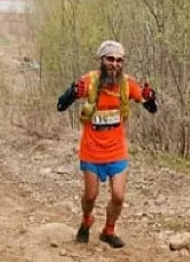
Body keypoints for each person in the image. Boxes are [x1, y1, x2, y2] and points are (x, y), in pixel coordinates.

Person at [56, 40, 158, 249]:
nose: (115, 64)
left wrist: (150, 97)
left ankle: (108, 230)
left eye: (119, 60)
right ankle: (86, 220)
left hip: (117, 150)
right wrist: (73, 92)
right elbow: (60, 105)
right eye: (110, 59)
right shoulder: (90, 81)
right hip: (91, 151)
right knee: (91, 196)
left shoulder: (127, 84)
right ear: (101, 60)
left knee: (119, 196)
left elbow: (151, 107)